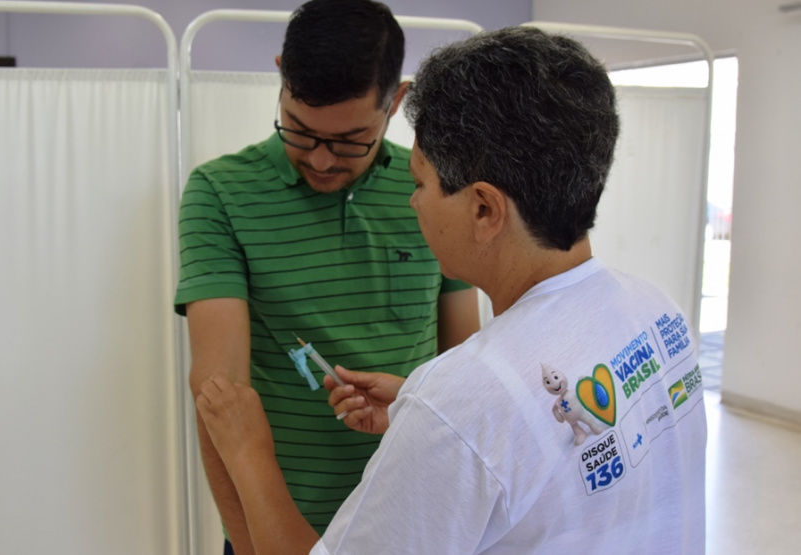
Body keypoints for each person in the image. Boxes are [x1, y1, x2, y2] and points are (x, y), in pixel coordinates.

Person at [195, 26, 708, 554]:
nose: (412, 202)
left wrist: (248, 453)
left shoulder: (460, 408)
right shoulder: (659, 313)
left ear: (484, 209)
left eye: (421, 183)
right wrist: (419, 412)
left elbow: (475, 417)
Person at [173, 1, 480, 553]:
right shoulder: (219, 193)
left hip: (415, 524)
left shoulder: (435, 198)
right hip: (271, 531)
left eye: (347, 141)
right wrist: (249, 545)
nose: (319, 160)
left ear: (397, 102)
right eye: (298, 130)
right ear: (280, 79)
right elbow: (217, 397)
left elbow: (467, 366)